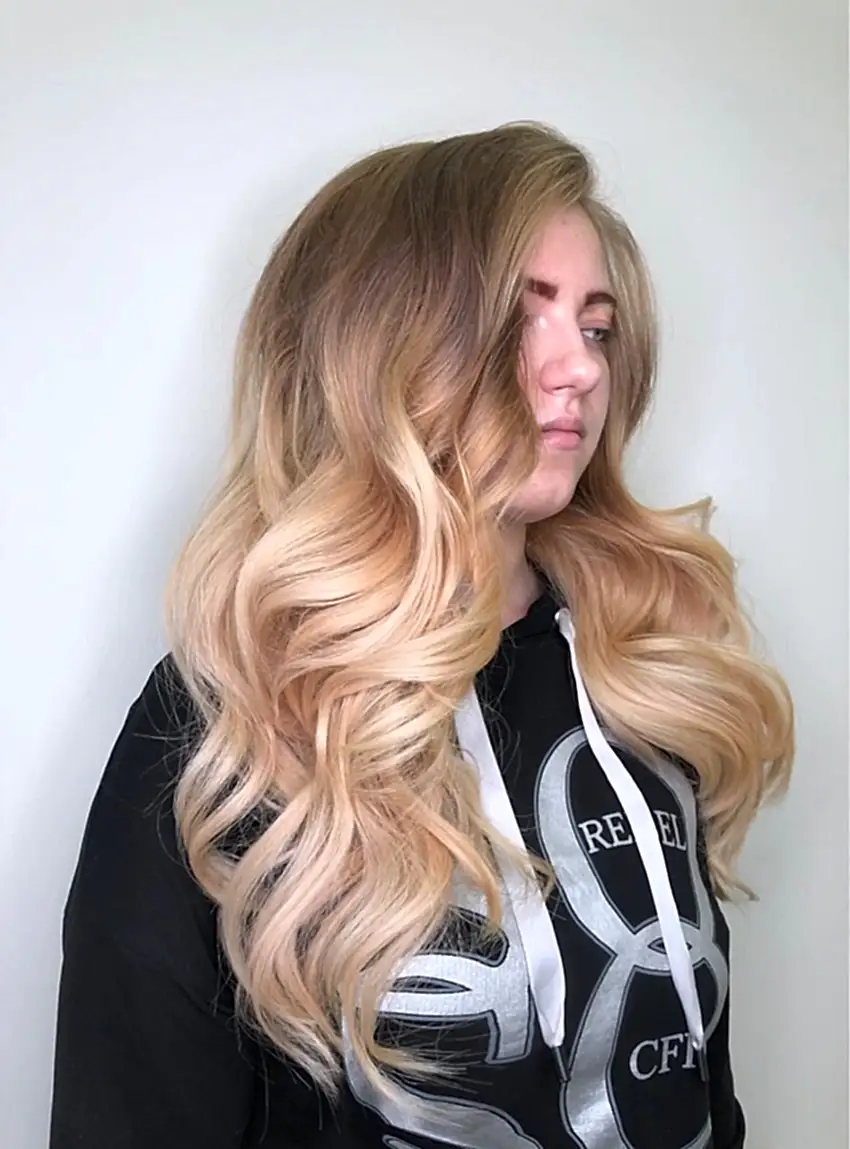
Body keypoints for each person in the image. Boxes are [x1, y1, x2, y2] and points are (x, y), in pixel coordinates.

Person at [49, 122, 794, 1149]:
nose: (579, 367)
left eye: (596, 327)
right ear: (375, 351)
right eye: (521, 319)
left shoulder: (641, 666)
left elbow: (695, 1087)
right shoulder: (227, 727)